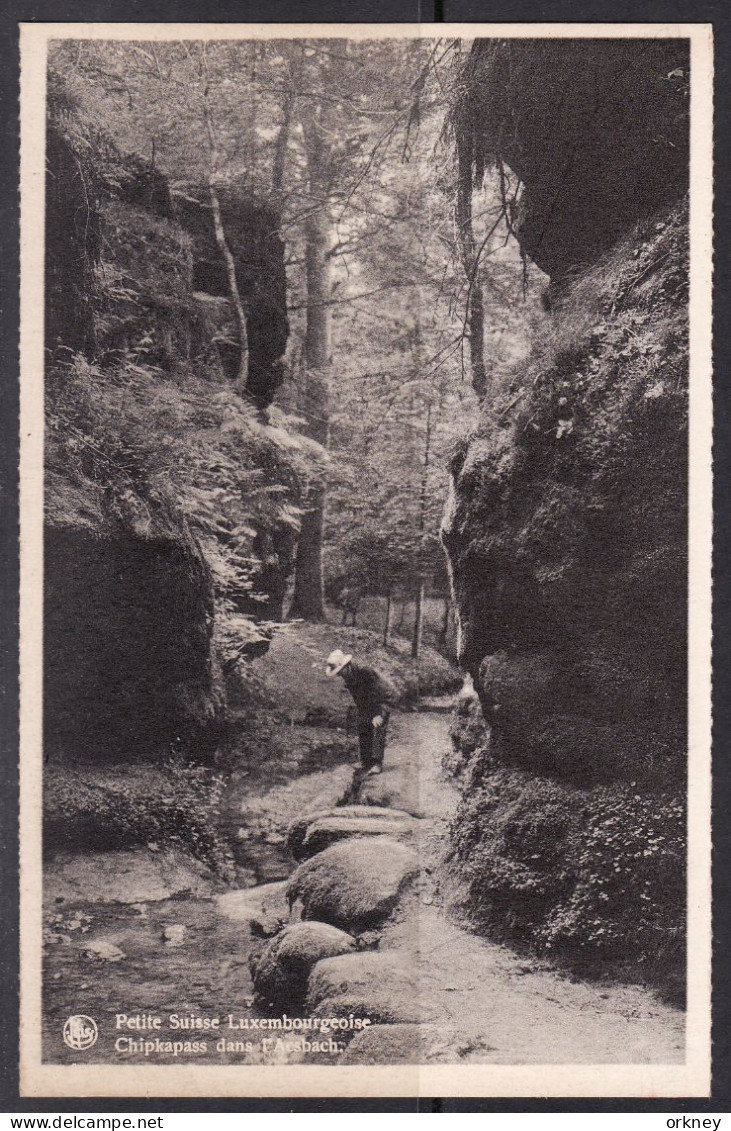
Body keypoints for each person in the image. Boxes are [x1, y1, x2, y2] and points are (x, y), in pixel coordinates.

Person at [325, 649, 394, 775]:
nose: (340, 675)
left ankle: (377, 763)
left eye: (340, 672)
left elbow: (375, 692)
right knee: (363, 723)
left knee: (378, 724)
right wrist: (363, 713)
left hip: (383, 698)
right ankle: (366, 761)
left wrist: (378, 714)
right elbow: (359, 698)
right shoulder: (349, 676)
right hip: (368, 701)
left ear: (346, 666)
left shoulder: (364, 671)